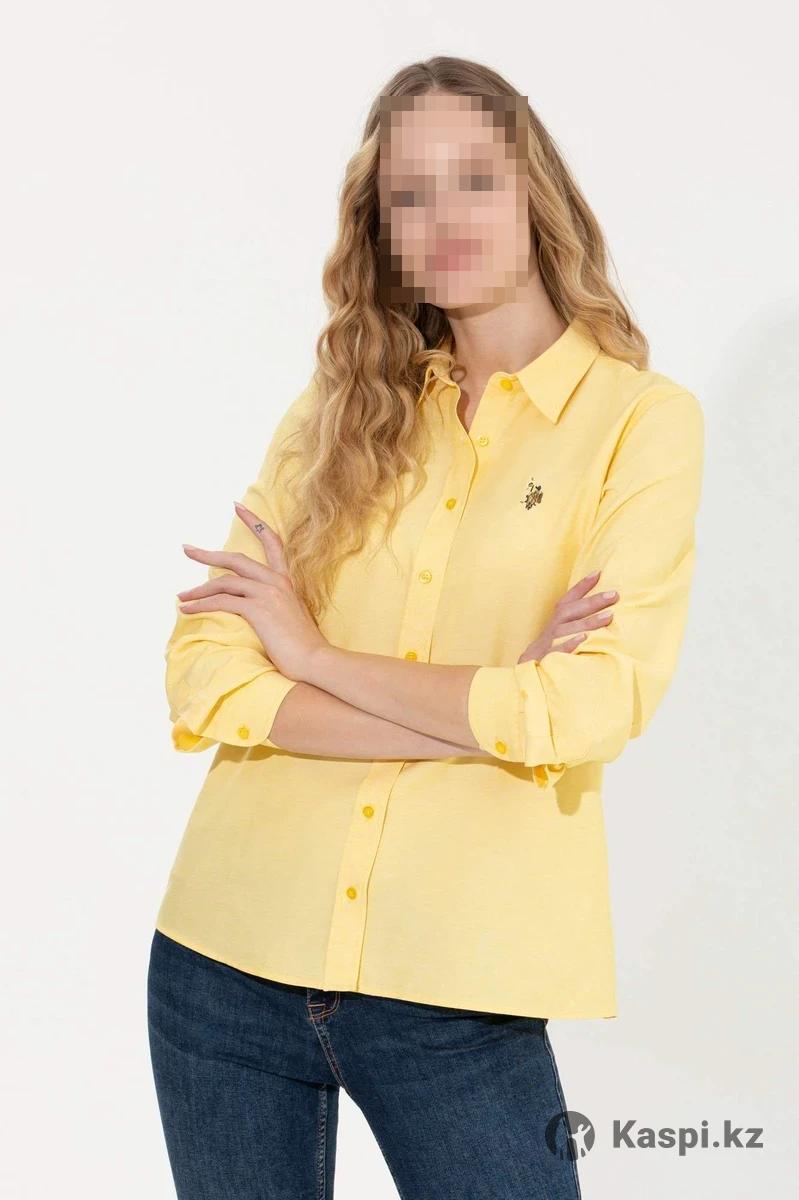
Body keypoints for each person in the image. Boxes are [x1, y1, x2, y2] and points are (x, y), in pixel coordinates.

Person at [147, 54, 705, 1200]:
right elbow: (204, 671)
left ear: (533, 189)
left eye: (474, 180)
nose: (444, 218)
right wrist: (484, 712)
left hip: (460, 987)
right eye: (409, 195)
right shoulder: (339, 412)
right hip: (224, 956)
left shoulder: (639, 424)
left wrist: (310, 657)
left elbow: (588, 706)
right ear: (381, 229)